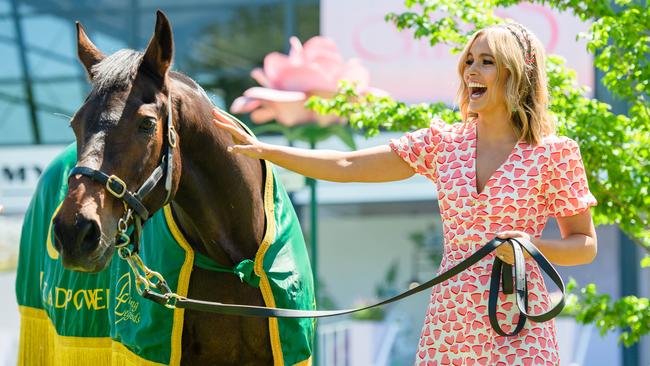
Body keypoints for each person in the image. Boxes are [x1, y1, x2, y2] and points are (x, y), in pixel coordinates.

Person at [212, 22, 597, 365]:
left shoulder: (554, 153)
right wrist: (267, 150)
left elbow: (584, 245)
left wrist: (529, 244)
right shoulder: (443, 144)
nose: (471, 71)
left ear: (515, 74)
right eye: (469, 61)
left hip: (520, 320)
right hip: (452, 321)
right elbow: (348, 165)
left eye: (486, 62)